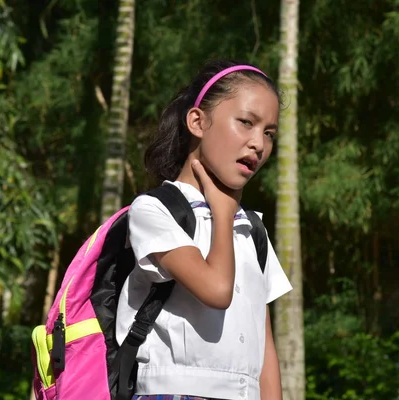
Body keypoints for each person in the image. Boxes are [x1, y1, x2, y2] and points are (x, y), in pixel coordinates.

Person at [116, 59, 293, 400]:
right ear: (197, 121)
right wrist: (223, 214)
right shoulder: (154, 210)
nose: (259, 143)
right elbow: (216, 290)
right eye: (246, 122)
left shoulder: (252, 228)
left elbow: (264, 344)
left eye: (269, 133)